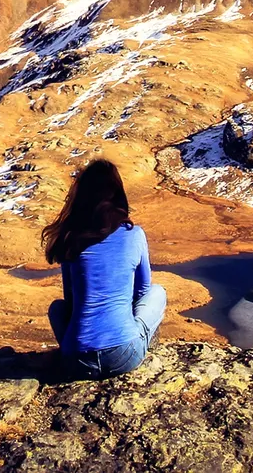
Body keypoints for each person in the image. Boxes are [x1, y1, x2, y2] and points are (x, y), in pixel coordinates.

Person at [42, 159, 166, 379]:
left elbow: (70, 301)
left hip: (76, 360)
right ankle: (135, 340)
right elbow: (142, 291)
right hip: (124, 355)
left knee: (57, 308)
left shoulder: (72, 239)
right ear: (117, 194)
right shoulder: (134, 234)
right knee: (158, 292)